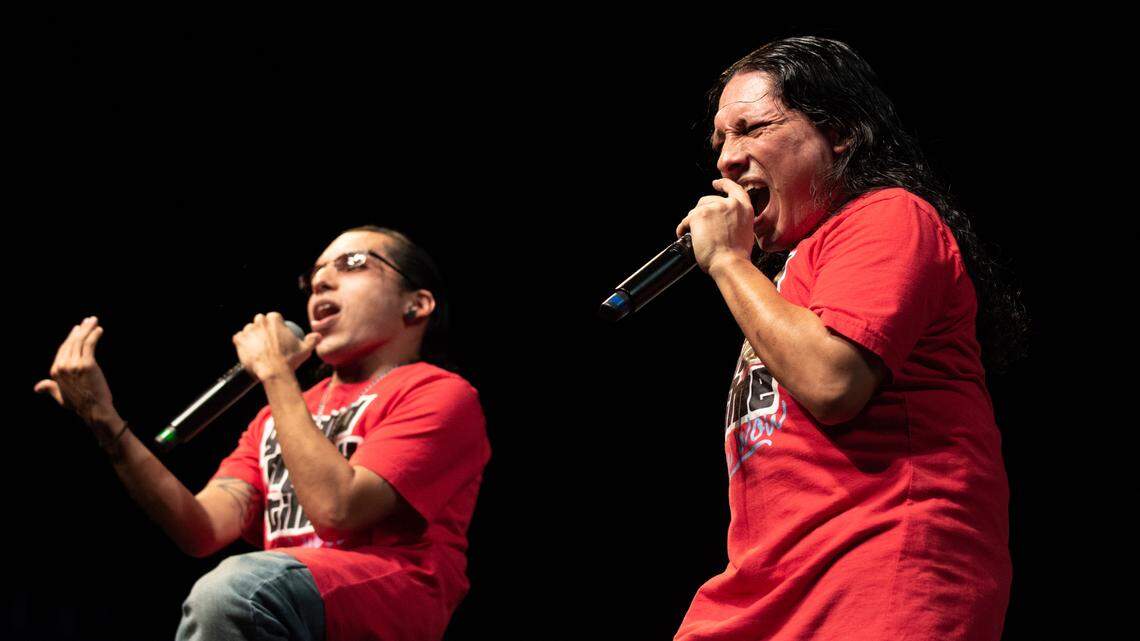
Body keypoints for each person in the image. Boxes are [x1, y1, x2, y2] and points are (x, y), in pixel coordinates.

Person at [671, 37, 1026, 640]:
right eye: (720, 142)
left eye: (751, 128)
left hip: (878, 573)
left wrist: (730, 264)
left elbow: (833, 381)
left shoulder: (890, 216)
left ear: (838, 131)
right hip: (766, 589)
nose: (728, 159)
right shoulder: (789, 274)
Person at [34, 226, 490, 641]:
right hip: (286, 608)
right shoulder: (281, 412)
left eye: (352, 264)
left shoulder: (440, 393)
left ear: (418, 304)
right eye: (312, 276)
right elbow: (201, 527)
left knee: (235, 591)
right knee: (240, 587)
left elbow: (339, 508)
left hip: (382, 604)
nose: (320, 283)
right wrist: (105, 421)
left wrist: (274, 372)